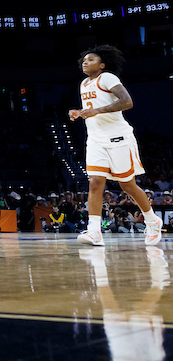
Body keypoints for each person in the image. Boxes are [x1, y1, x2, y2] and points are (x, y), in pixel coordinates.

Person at [70, 45, 161, 247]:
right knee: (94, 182)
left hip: (118, 138)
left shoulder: (108, 78)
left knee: (127, 185)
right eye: (84, 59)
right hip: (95, 140)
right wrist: (80, 113)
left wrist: (97, 111)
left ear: (102, 64)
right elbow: (92, 110)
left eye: (91, 59)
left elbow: (127, 102)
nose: (85, 61)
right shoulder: (84, 84)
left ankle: (152, 221)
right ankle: (94, 231)